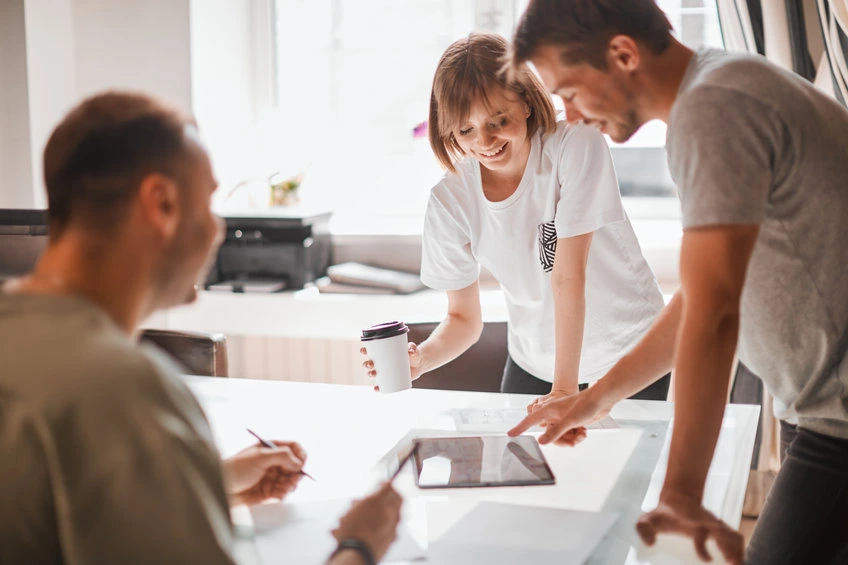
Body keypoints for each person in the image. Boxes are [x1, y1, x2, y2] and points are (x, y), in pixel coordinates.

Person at [506, 2, 848, 564]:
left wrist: (681, 497)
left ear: (623, 54)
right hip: (818, 409)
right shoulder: (717, 89)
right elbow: (697, 298)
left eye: (570, 91)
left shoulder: (715, 110)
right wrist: (595, 398)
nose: (570, 115)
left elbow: (714, 313)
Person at [0, 91, 402, 565]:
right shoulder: (128, 392)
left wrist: (209, 482)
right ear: (162, 203)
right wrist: (359, 546)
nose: (217, 230)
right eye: (209, 203)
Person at [362, 33, 668, 408]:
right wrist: (421, 360)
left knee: (629, 449)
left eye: (498, 120)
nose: (485, 141)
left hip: (632, 351)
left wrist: (564, 390)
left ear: (525, 101)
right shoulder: (450, 201)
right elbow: (463, 319)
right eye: (465, 130)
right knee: (517, 448)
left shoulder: (575, 144)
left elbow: (568, 276)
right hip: (534, 362)